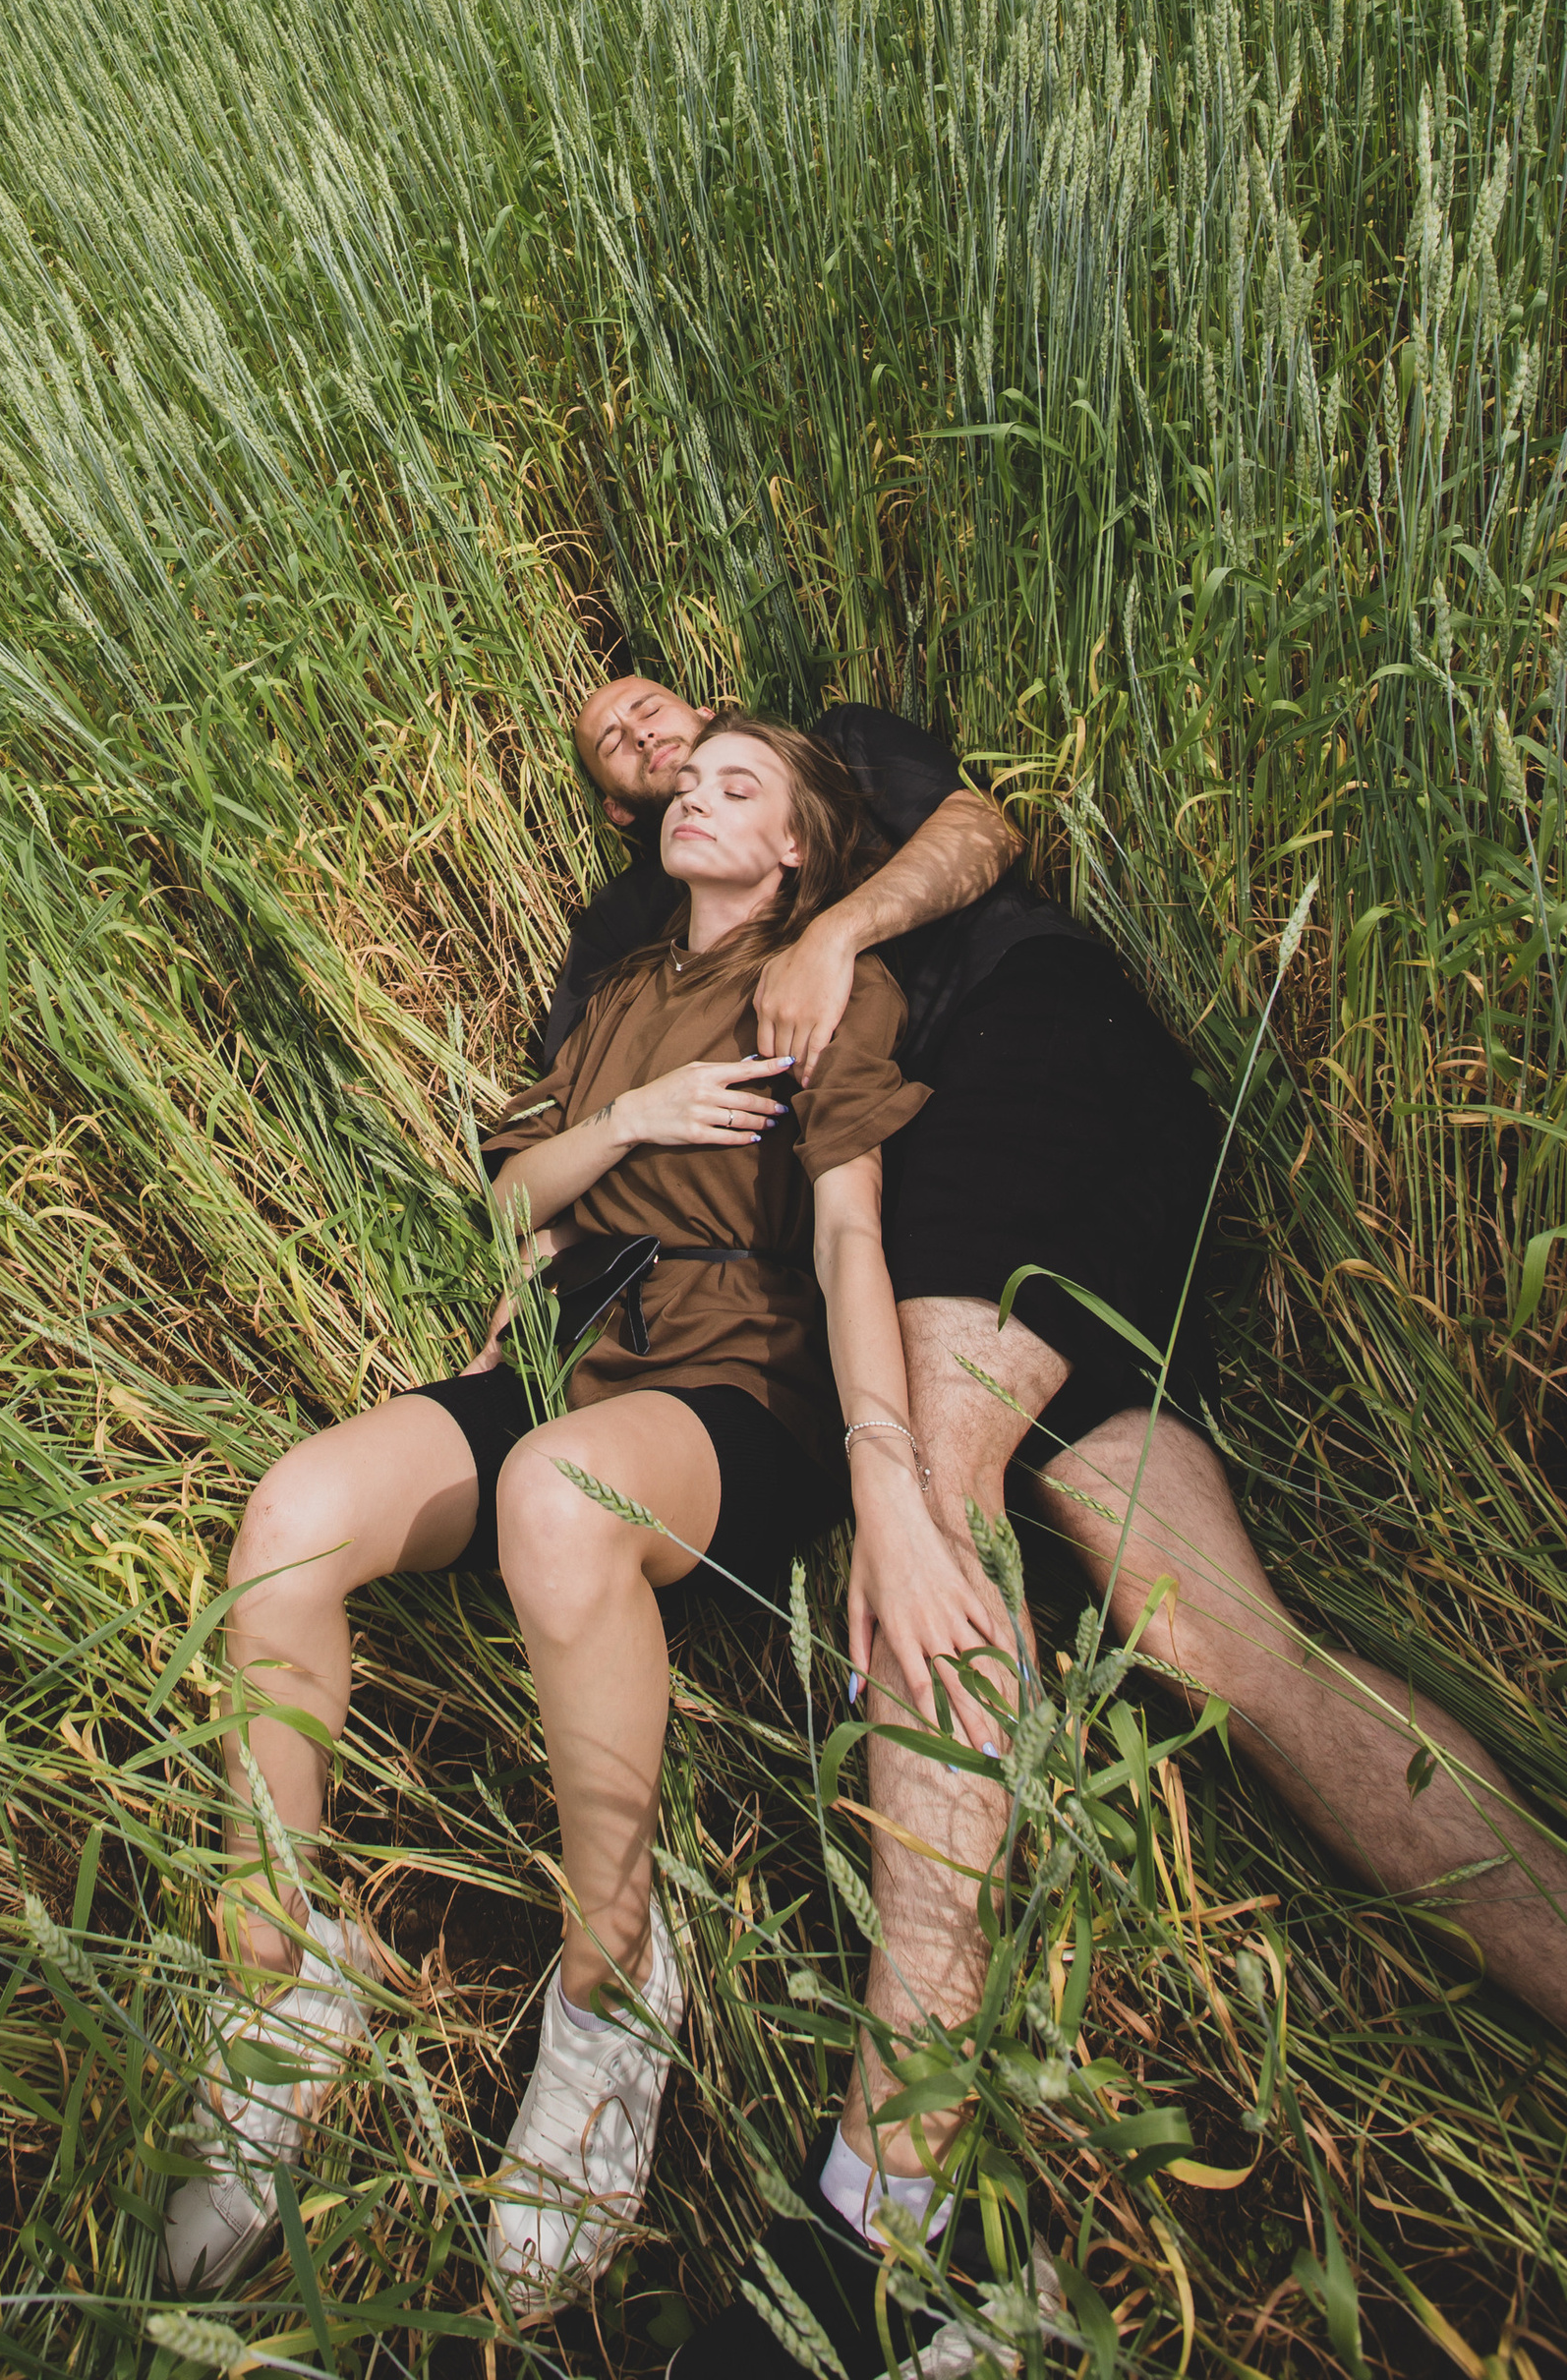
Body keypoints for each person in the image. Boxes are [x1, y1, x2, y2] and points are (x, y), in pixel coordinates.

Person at [559, 676, 1567, 2374]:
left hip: (1018, 1073)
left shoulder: (837, 781)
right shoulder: (631, 934)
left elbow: (983, 831)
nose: (647, 738)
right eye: (611, 743)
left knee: (933, 1481)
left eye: (665, 713)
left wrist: (843, 937)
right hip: (940, 1190)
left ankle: (893, 2211)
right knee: (1222, 1644)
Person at [161, 720, 960, 2322]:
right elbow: (513, 1202)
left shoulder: (823, 985)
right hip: (568, 1341)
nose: (697, 796)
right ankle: (282, 1987)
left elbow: (858, 1234)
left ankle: (613, 1987)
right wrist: (637, 1119)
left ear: (799, 849)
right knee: (291, 1518)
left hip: (736, 1384)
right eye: (688, 779)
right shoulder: (618, 998)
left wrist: (895, 1473)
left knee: (556, 1490)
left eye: (742, 787)